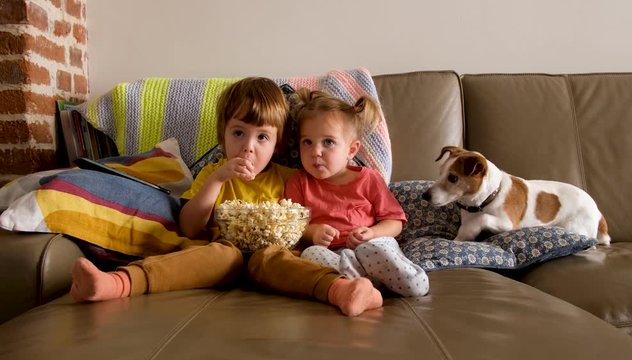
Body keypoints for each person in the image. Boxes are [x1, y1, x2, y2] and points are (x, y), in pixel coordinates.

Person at [70, 77, 383, 317]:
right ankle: (115, 284)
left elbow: (315, 218)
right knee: (219, 254)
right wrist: (218, 179)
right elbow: (190, 227)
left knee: (273, 258)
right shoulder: (213, 176)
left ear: (278, 144)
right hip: (222, 253)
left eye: (262, 137)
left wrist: (317, 231)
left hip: (275, 257)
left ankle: (344, 291)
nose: (249, 146)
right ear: (223, 136)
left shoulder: (293, 179)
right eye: (238, 133)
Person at [284, 89, 429, 297]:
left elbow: (395, 222)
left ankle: (413, 282)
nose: (315, 151)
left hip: (372, 246)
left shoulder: (368, 179)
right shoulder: (298, 182)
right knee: (310, 255)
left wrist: (372, 233)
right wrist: (312, 231)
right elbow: (290, 226)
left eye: (328, 142)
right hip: (333, 255)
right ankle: (365, 286)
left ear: (351, 150)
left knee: (377, 248)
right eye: (307, 142)